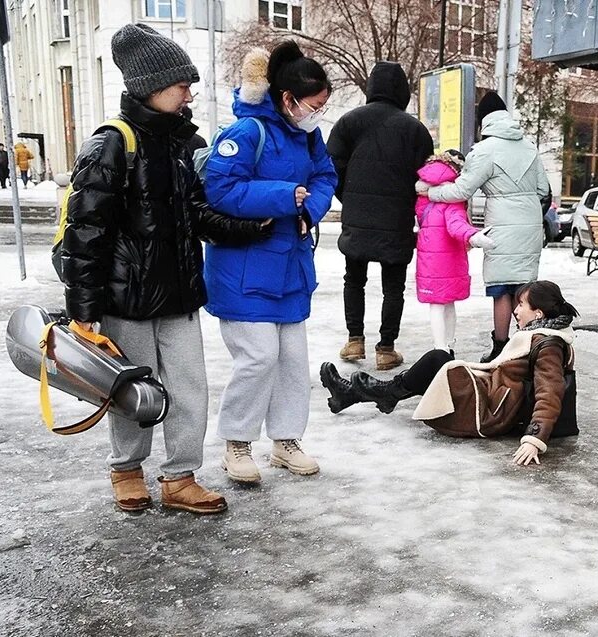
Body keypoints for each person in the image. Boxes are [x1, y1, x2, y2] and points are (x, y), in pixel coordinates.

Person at [59, 23, 273, 515]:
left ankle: (180, 477)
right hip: (126, 300)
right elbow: (85, 231)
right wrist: (84, 308)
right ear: (153, 87)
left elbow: (195, 212)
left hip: (178, 294)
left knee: (189, 389)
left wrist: (247, 227)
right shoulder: (111, 145)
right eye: (182, 85)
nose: (189, 93)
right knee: (132, 391)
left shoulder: (181, 143)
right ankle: (127, 469)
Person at [202, 42, 338, 483]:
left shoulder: (308, 135)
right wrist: (283, 196)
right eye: (315, 105)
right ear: (288, 99)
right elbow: (219, 190)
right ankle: (236, 443)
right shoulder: (245, 133)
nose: (319, 113)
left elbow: (324, 175)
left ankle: (285, 440)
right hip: (244, 269)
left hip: (290, 269)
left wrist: (308, 210)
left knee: (292, 361)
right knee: (258, 359)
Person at [320, 280, 577, 466]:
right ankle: (366, 394)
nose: (515, 310)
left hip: (491, 410)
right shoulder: (539, 335)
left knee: (439, 359)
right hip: (492, 395)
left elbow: (550, 390)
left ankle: (372, 393)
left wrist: (533, 438)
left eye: (521, 304)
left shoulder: (549, 344)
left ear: (539, 313)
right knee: (440, 359)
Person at [421, 91, 550, 362]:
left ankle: (501, 347)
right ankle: (524, 346)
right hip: (530, 224)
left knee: (501, 289)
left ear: (483, 121)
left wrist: (430, 193)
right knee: (525, 288)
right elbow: (542, 189)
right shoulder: (528, 147)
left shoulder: (484, 151)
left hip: (502, 224)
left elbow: (462, 189)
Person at [327, 61, 434, 371]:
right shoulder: (414, 129)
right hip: (397, 219)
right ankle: (386, 348)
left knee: (354, 279)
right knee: (393, 287)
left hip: (357, 217)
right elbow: (425, 177)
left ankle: (354, 340)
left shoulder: (348, 122)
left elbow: (331, 168)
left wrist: (349, 198)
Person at [414, 149, 494, 353]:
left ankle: (441, 346)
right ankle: (445, 347)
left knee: (437, 303)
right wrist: (473, 236)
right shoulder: (451, 195)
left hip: (428, 257)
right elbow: (455, 223)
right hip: (448, 257)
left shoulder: (424, 195)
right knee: (446, 304)